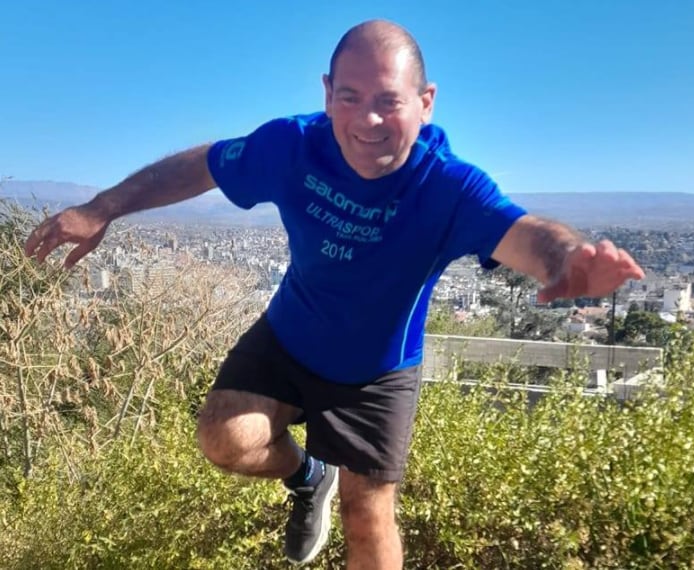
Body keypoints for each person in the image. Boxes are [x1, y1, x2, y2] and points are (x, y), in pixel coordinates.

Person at [24, 19, 644, 569]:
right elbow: (202, 165)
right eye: (349, 98)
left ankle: (333, 487)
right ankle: (306, 475)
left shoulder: (448, 186)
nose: (367, 121)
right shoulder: (294, 145)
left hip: (377, 371)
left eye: (388, 102)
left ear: (426, 103)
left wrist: (566, 261)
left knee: (367, 519)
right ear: (327, 94)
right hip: (291, 335)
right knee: (223, 439)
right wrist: (103, 207)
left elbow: (523, 233)